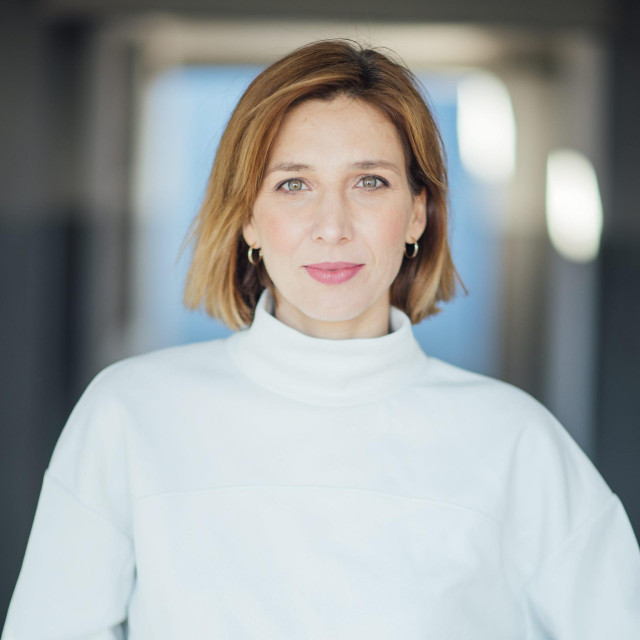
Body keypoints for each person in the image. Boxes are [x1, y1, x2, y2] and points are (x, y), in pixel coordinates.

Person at [3, 39, 639, 639]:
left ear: (417, 213)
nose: (332, 226)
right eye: (293, 184)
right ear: (248, 219)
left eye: (370, 182)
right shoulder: (130, 414)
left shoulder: (516, 440)